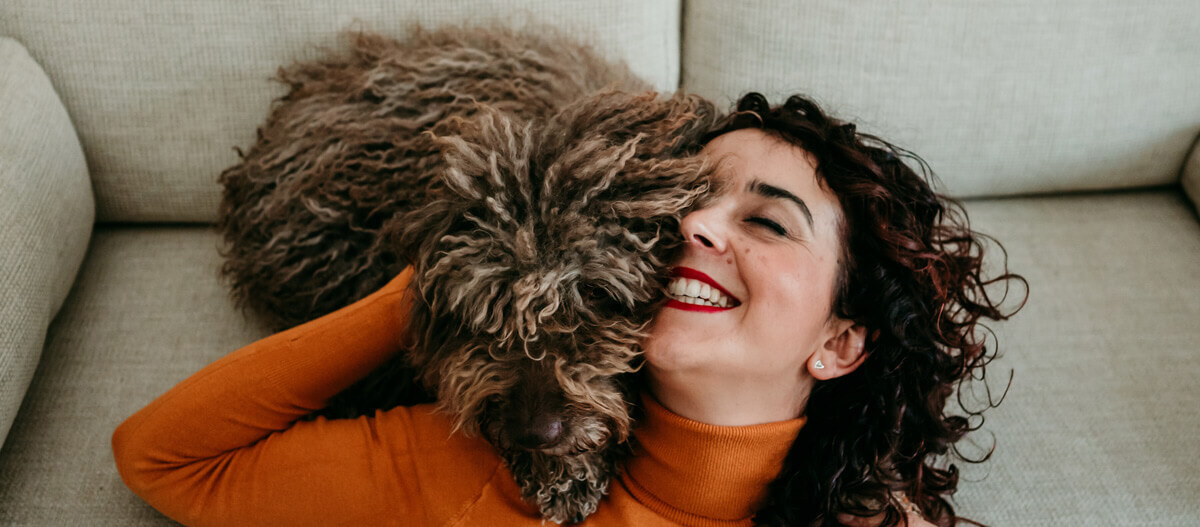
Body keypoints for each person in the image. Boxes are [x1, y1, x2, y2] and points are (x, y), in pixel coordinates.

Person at [112, 92, 1023, 526]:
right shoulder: (479, 467)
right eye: (685, 201)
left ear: (840, 341)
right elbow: (167, 458)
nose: (696, 224)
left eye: (766, 222)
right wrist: (449, 272)